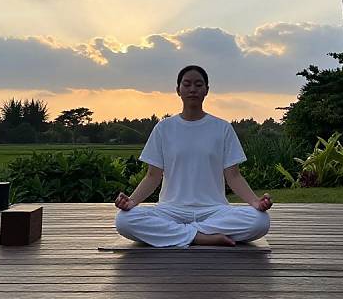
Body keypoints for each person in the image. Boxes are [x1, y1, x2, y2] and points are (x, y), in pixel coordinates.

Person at [114, 65, 273, 247]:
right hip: (171, 210)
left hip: (214, 210)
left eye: (198, 85)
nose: (192, 89)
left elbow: (233, 176)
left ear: (206, 90)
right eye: (187, 84)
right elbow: (152, 176)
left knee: (260, 221)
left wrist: (255, 202)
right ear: (178, 90)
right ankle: (201, 237)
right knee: (124, 221)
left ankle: (178, 233)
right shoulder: (164, 128)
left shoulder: (222, 128)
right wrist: (132, 201)